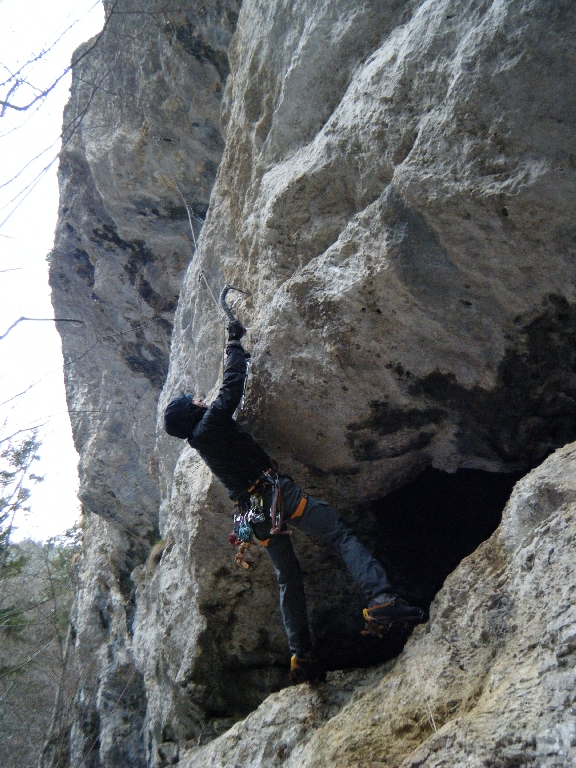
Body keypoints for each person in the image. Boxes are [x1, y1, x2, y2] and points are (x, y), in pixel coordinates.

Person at [164, 319, 426, 682]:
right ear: (191, 412)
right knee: (339, 534)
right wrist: (234, 344)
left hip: (254, 515)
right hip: (276, 497)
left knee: (288, 578)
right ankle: (381, 599)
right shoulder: (208, 426)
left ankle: (301, 656)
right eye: (193, 400)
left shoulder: (202, 440)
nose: (199, 399)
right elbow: (231, 388)